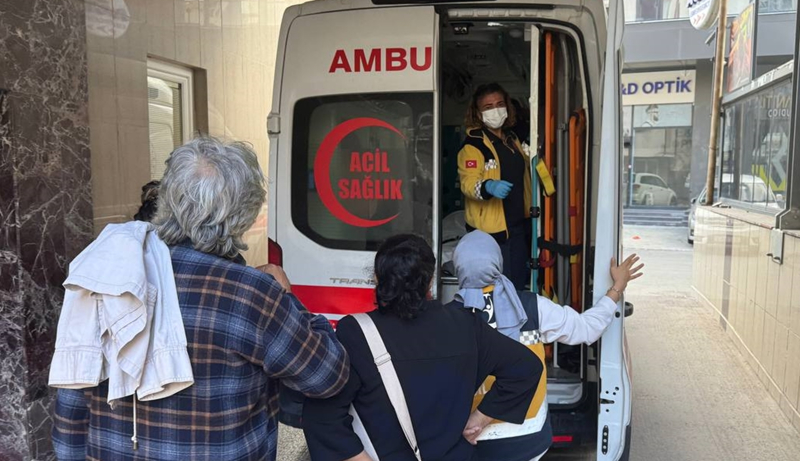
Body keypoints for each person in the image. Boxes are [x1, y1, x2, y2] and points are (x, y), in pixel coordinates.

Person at [52, 137, 349, 461]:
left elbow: (71, 405)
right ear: (245, 215)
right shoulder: (251, 294)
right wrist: (286, 296)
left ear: (167, 198)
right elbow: (327, 376)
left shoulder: (104, 275)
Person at [302, 234, 543, 461]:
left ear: (377, 278)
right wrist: (479, 419)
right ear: (429, 280)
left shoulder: (356, 333)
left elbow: (323, 418)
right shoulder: (466, 324)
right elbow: (526, 367)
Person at [452, 230, 644, 461]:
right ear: (498, 262)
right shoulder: (533, 307)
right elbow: (587, 328)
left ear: (458, 268)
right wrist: (616, 288)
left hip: (470, 437)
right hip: (528, 438)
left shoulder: (444, 318)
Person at [458, 83, 531, 291]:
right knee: (495, 290)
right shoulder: (474, 145)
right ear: (478, 113)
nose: (495, 110)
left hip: (517, 226)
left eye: (499, 104)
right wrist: (488, 186)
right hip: (490, 233)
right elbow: (467, 183)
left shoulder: (512, 139)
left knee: (517, 286)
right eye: (488, 107)